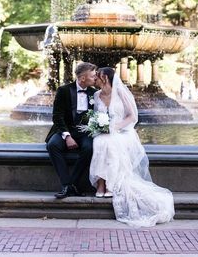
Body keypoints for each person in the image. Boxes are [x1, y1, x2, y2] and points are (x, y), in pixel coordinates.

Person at [89, 67, 175, 227]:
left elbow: (132, 116)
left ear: (105, 78)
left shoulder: (121, 93)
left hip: (123, 132)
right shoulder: (96, 95)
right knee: (100, 141)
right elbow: (96, 116)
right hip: (105, 132)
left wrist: (115, 127)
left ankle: (110, 184)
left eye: (97, 78)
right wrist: (99, 126)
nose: (95, 80)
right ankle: (101, 183)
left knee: (110, 142)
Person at [46, 62, 97, 199]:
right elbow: (57, 116)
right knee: (52, 145)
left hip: (86, 132)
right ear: (82, 79)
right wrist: (67, 136)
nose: (95, 78)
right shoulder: (63, 90)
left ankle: (70, 185)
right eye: (92, 76)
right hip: (66, 129)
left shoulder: (94, 93)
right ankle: (67, 185)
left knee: (89, 148)